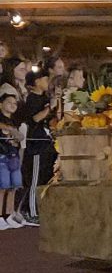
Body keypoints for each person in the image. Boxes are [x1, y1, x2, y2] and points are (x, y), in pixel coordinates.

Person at [18, 69, 56, 223]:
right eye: (44, 79)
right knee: (34, 180)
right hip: (35, 145)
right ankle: (30, 211)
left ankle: (39, 209)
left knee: (43, 178)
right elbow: (34, 119)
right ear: (35, 83)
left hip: (46, 144)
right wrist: (49, 108)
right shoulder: (32, 99)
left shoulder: (44, 98)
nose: (47, 81)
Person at [0, 86, 26, 229]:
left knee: (14, 186)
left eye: (15, 103)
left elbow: (19, 137)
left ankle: (9, 214)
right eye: (9, 102)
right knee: (2, 186)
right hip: (2, 155)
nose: (12, 105)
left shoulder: (15, 121)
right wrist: (10, 130)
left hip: (14, 155)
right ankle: (0, 215)